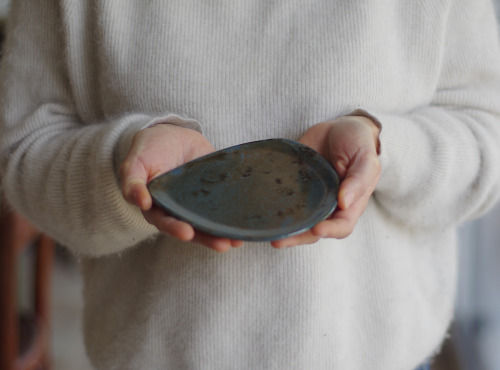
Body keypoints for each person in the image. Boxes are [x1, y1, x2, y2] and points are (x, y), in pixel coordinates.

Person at [1, 0, 500, 369]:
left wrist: (388, 153)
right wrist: (122, 169)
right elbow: (24, 152)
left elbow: (486, 138)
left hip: (378, 355)